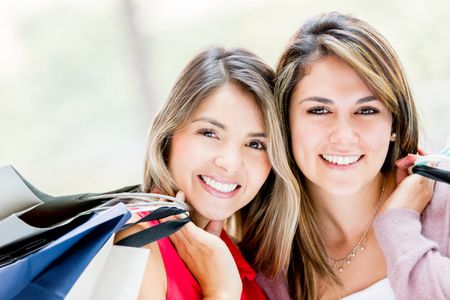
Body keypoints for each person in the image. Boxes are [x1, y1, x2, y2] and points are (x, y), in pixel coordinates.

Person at [273, 12, 449, 299]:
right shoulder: (272, 261)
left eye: (366, 110)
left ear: (395, 123)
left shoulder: (444, 206)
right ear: (285, 122)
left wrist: (398, 226)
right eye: (319, 110)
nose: (343, 136)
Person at [115, 46, 300, 299]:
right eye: (209, 133)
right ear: (169, 135)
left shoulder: (233, 257)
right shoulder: (138, 244)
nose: (231, 162)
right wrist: (221, 292)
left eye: (256, 144)